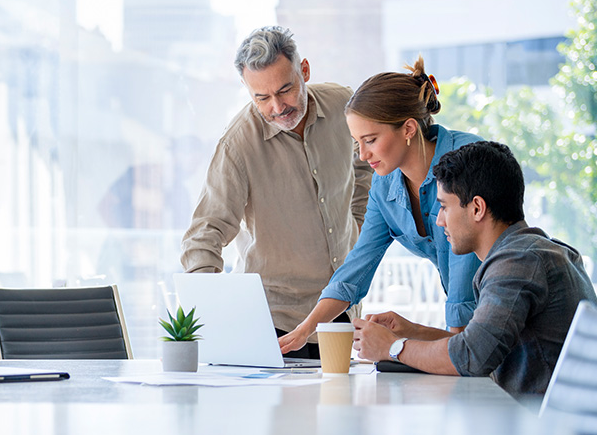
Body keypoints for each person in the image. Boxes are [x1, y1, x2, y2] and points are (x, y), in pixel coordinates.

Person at [180, 26, 373, 359]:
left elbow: (365, 164)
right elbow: (203, 236)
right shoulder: (237, 145)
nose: (277, 107)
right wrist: (216, 319)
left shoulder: (344, 104)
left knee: (341, 409)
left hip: (340, 312)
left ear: (305, 71)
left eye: (285, 90)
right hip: (275, 323)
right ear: (247, 90)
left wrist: (356, 223)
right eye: (262, 97)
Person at [352, 141, 597, 400]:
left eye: (444, 206)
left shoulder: (518, 261)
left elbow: (472, 356)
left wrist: (392, 347)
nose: (439, 220)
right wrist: (411, 332)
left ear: (477, 208)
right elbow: (481, 344)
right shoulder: (532, 250)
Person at [279, 57, 483, 355]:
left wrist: (433, 350)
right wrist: (304, 330)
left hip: (508, 313)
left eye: (371, 140)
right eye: (357, 143)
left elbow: (464, 281)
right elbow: (355, 269)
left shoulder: (466, 161)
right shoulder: (385, 186)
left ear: (409, 129)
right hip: (474, 332)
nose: (363, 155)